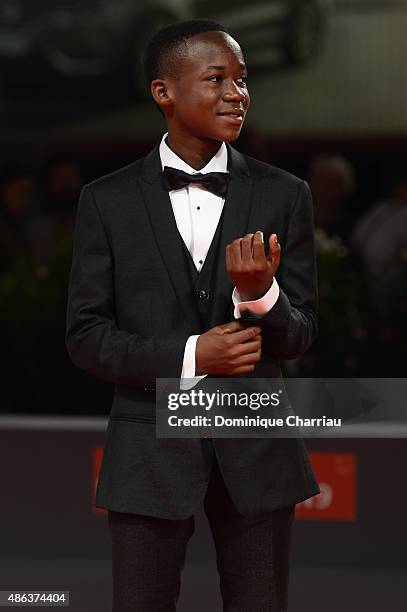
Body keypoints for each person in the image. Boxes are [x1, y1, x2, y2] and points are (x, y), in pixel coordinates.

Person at [65, 19, 319, 611]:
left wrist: (261, 295)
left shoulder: (285, 194)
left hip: (257, 456)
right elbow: (86, 336)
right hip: (147, 455)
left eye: (243, 80)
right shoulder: (108, 200)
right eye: (217, 79)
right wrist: (190, 355)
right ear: (164, 93)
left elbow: (301, 333)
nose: (238, 94)